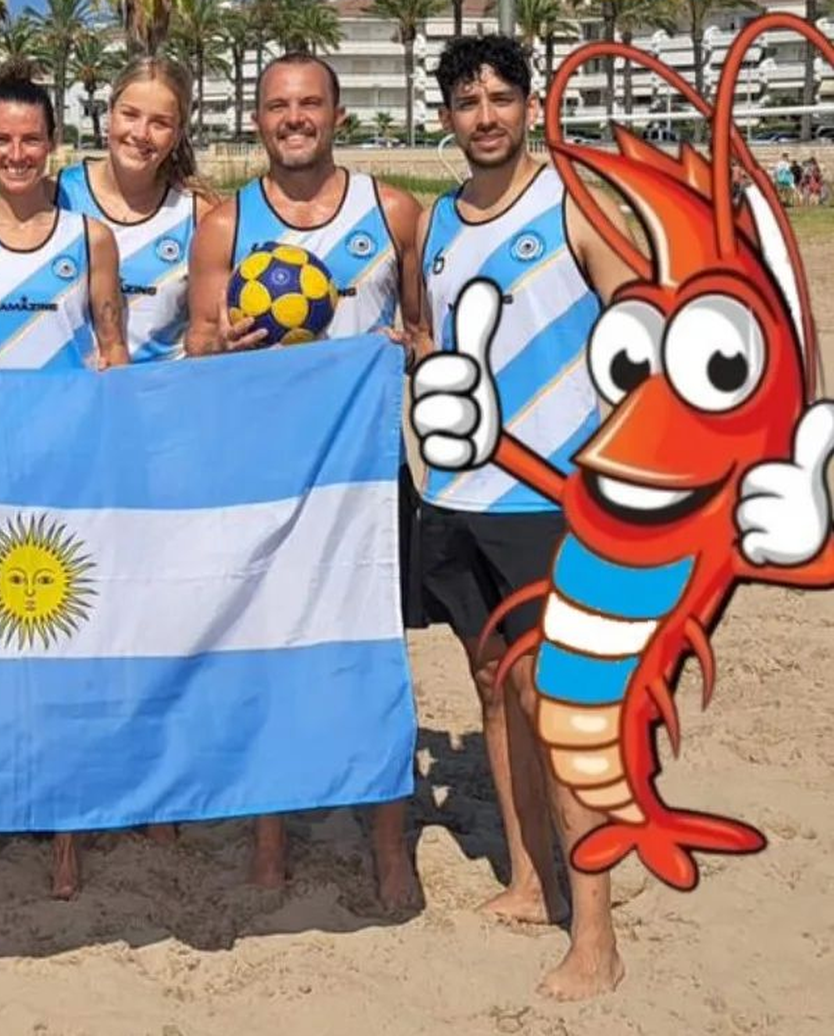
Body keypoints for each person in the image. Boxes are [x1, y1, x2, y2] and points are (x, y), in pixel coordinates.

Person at [414, 35, 638, 999]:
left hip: (550, 501)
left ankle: (596, 935)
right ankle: (528, 878)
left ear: (528, 104)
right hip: (456, 496)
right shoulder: (436, 222)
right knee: (490, 684)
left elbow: (641, 331)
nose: (486, 116)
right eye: (468, 101)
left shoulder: (574, 201)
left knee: (560, 706)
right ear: (448, 118)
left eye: (501, 97)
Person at [182, 52, 426, 910]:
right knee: (266, 657)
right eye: (280, 105)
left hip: (365, 480)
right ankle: (269, 836)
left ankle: (390, 842)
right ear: (258, 120)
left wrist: (406, 349)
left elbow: (424, 333)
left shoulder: (392, 211)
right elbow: (196, 350)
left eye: (311, 103)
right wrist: (230, 343)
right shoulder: (225, 224)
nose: (296, 117)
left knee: (376, 656)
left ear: (336, 115)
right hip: (265, 480)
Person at [0, 74, 128, 910]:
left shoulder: (91, 237)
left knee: (63, 651)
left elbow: (114, 351)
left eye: (30, 141)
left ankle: (65, 828)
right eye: (1, 140)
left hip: (66, 476)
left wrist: (99, 377)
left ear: (52, 144)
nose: (16, 154)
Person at [54, 56, 217, 364]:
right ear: (109, 113)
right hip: (74, 399)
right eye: (130, 114)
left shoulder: (199, 214)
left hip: (163, 402)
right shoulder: (57, 195)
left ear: (179, 132)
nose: (141, 133)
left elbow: (210, 333)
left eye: (160, 123)